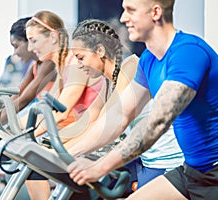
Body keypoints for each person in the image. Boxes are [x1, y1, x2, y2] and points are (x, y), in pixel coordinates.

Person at [68, 0, 218, 199]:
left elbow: (157, 121)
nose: (124, 18)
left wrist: (100, 167)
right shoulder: (149, 59)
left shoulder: (188, 52)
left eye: (130, 11)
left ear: (156, 12)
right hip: (191, 171)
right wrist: (68, 154)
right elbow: (120, 115)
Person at [60, 18, 183, 193]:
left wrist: (67, 153)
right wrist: (54, 145)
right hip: (144, 158)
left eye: (81, 58)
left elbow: (109, 121)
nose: (79, 65)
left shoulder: (131, 66)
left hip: (165, 162)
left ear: (100, 50)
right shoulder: (107, 82)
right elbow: (87, 122)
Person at [21, 11, 105, 200]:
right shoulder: (62, 66)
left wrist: (24, 134)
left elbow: (59, 112)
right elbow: (44, 109)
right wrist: (12, 128)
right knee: (32, 160)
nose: (30, 47)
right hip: (82, 134)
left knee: (34, 163)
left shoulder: (75, 63)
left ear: (52, 37)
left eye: (33, 40)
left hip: (97, 140)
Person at [0, 17, 56, 123]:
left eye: (16, 46)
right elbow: (16, 97)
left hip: (56, 124)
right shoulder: (35, 66)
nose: (15, 53)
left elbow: (23, 101)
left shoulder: (49, 63)